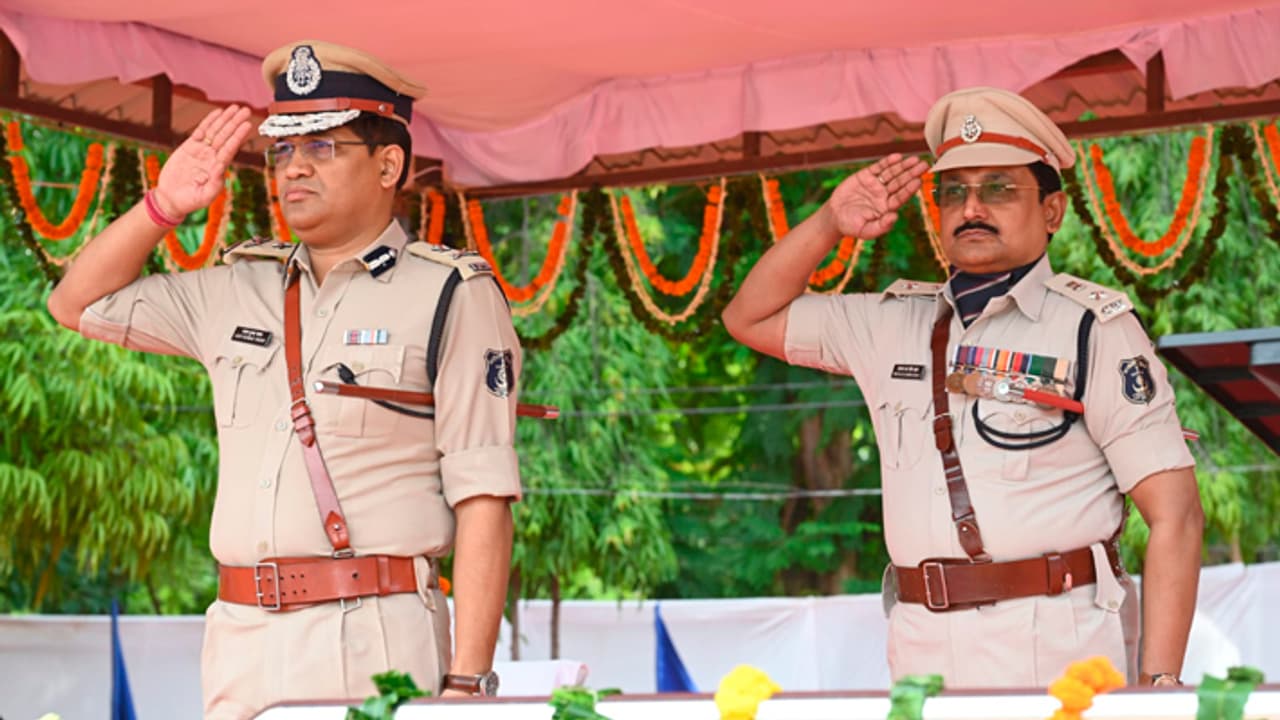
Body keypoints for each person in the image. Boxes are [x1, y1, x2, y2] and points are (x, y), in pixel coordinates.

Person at [47, 41, 520, 717]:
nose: (293, 167)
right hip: (241, 636)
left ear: (389, 163)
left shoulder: (450, 292)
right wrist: (165, 204)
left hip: (373, 635)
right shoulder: (237, 287)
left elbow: (484, 495)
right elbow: (76, 305)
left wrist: (468, 684)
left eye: (323, 148)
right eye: (282, 151)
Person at [722, 86, 1203, 688]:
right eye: (955, 191)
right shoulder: (893, 323)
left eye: (1000, 188)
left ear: (1051, 211)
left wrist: (1160, 686)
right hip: (922, 650)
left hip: (1057, 650)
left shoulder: (1093, 330)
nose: (972, 207)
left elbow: (1176, 515)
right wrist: (828, 224)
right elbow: (749, 317)